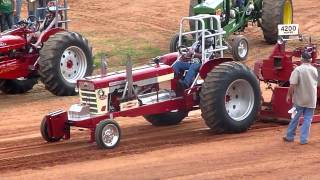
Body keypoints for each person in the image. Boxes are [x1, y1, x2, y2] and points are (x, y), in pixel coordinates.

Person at [283, 51, 318, 145]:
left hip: (299, 99)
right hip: (311, 99)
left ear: (302, 59)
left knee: (295, 118)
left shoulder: (298, 70)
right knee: (308, 119)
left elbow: (292, 85)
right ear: (310, 60)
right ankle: (304, 139)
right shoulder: (314, 70)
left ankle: (290, 136)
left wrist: (288, 95)